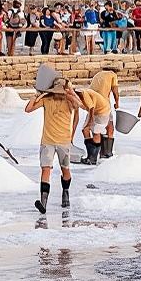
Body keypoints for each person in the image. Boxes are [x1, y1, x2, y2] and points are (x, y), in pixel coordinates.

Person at [24, 78, 81, 214]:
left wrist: (70, 92)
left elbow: (79, 105)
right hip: (47, 141)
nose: (57, 94)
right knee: (45, 170)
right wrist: (37, 95)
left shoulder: (69, 100)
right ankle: (43, 202)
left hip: (64, 141)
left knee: (65, 170)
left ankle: (65, 192)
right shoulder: (47, 99)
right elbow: (28, 109)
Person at [76, 83, 112, 164]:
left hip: (103, 111)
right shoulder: (75, 97)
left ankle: (93, 158)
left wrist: (90, 121)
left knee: (96, 132)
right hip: (94, 111)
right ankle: (90, 155)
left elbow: (91, 107)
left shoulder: (83, 94)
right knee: (85, 130)